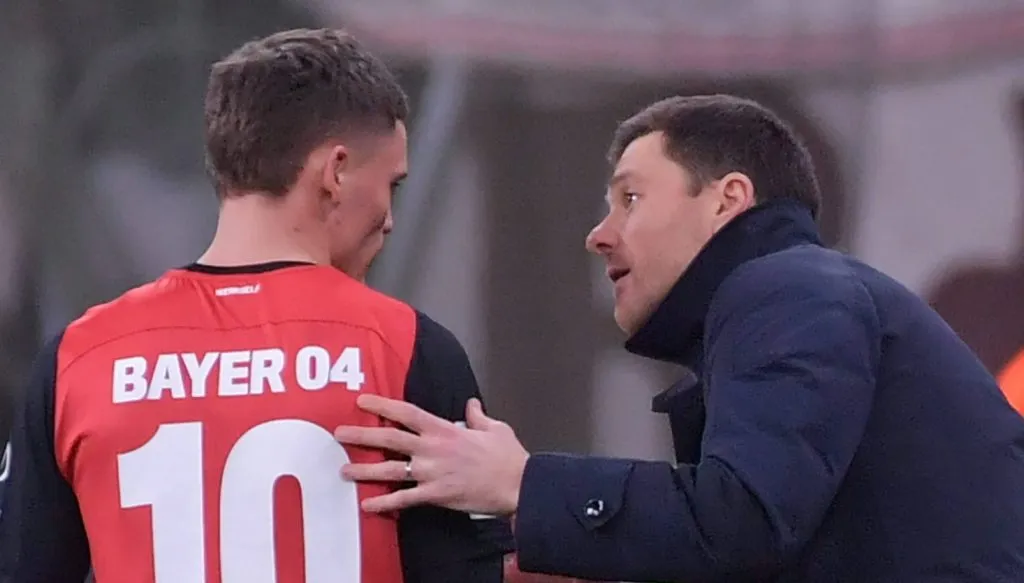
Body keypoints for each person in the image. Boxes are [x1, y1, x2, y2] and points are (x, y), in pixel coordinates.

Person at [335, 94, 1024, 582]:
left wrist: (523, 481)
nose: (599, 233)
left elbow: (744, 522)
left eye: (630, 198)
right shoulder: (795, 295)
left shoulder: (789, 289)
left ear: (728, 199)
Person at [0, 28, 512, 583]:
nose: (389, 218)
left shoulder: (80, 360)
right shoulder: (405, 348)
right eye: (392, 185)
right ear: (336, 171)